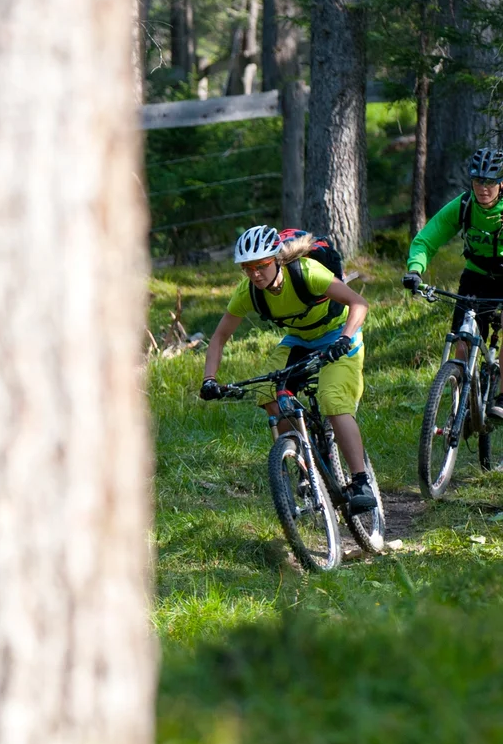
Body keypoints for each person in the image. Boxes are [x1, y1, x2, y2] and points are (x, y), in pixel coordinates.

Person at [200, 224, 376, 513]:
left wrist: (345, 339)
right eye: (247, 268)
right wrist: (209, 379)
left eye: (261, 265)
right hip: (299, 340)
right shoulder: (249, 292)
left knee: (333, 399)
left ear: (276, 260)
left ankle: (361, 481)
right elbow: (219, 337)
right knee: (268, 392)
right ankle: (303, 461)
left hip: (337, 335)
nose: (255, 273)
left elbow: (359, 303)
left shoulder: (305, 272)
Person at [404, 147, 503, 419]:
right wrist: (415, 270)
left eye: (490, 182)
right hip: (476, 276)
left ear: (501, 183)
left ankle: (502, 395)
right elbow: (427, 239)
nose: (483, 188)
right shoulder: (464, 205)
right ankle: (460, 406)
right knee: (462, 340)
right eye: (478, 181)